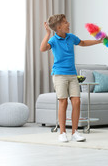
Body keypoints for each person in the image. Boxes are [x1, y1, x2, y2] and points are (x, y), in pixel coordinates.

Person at [40, 14, 102, 143]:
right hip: (59, 75)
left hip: (72, 74)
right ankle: (62, 132)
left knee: (77, 102)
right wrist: (47, 33)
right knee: (63, 102)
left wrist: (98, 41)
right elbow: (42, 48)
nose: (68, 23)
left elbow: (83, 42)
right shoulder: (53, 40)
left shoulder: (71, 37)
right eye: (65, 22)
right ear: (58, 27)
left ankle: (75, 132)